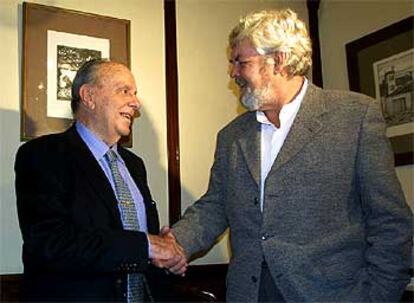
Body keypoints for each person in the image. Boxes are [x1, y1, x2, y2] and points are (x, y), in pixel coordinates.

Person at [166, 9, 413, 302]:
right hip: (249, 294)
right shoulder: (231, 136)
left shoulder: (355, 116)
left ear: (278, 60)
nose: (233, 73)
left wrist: (378, 296)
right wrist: (174, 242)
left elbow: (390, 222)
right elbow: (216, 205)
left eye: (241, 62)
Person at [15, 59, 186, 302]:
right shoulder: (43, 156)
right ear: (88, 96)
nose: (135, 103)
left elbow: (137, 242)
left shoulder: (135, 165)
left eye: (135, 94)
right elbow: (51, 243)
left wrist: (167, 256)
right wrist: (146, 246)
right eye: (124, 91)